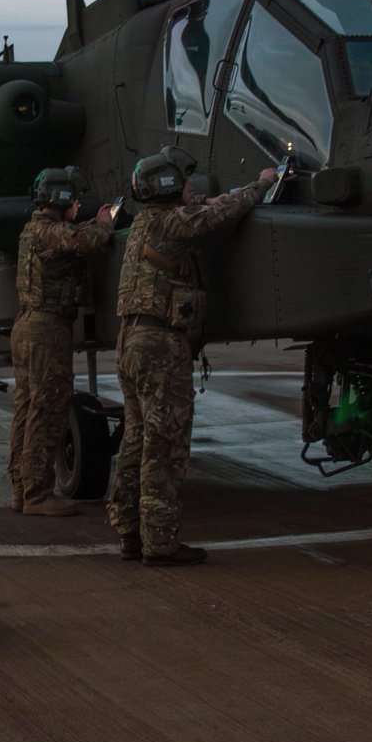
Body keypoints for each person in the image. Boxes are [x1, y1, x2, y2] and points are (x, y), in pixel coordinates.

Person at [107, 147, 279, 566]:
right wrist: (263, 183)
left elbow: (204, 206)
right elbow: (219, 216)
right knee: (163, 444)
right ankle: (161, 543)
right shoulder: (171, 223)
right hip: (160, 345)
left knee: (136, 440)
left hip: (131, 341)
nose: (191, 189)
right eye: (183, 183)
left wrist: (212, 198)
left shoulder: (147, 221)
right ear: (169, 187)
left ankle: (130, 532)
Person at [8, 166, 114, 517]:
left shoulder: (34, 229)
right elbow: (86, 240)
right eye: (73, 198)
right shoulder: (50, 231)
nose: (77, 204)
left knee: (27, 407)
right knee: (48, 407)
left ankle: (21, 488)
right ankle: (38, 493)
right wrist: (104, 221)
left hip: (29, 326)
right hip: (47, 328)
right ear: (62, 198)